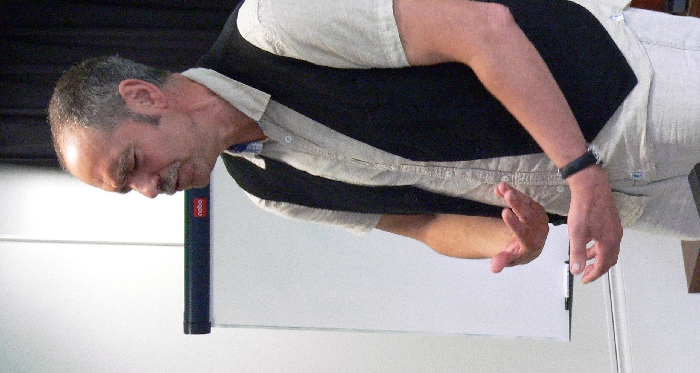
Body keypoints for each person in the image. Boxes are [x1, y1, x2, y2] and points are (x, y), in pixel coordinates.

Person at [48, 0, 700, 284]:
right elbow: (423, 225)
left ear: (144, 96)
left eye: (131, 165)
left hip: (626, 92)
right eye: (128, 190)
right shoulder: (264, 187)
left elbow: (482, 29)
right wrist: (512, 245)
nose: (148, 189)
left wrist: (579, 169)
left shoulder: (269, 27)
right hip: (618, 199)